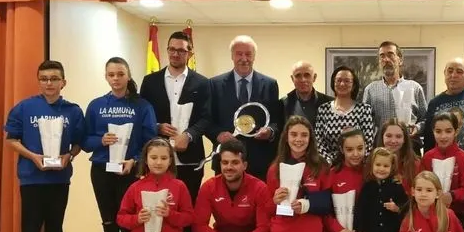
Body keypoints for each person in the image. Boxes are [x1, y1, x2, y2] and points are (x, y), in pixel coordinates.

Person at [3, 60, 85, 232]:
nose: (49, 83)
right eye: (44, 79)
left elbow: (80, 143)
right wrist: (33, 156)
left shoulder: (73, 110)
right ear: (38, 81)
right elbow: (11, 139)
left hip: (59, 181)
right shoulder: (24, 108)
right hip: (32, 179)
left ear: (63, 82)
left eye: (54, 79)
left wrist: (68, 156)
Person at [83, 57, 157, 232]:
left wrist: (135, 159)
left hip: (130, 171)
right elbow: (84, 141)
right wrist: (99, 141)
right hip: (102, 169)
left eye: (120, 74)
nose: (116, 79)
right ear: (106, 77)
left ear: (128, 76)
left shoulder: (142, 105)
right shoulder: (95, 106)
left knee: (132, 221)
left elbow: (150, 139)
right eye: (111, 74)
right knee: (109, 222)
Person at [267, 115, 333, 232]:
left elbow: (327, 203)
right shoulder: (274, 169)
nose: (298, 139)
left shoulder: (320, 167)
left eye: (304, 135)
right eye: (294, 134)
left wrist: (307, 204)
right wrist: (275, 200)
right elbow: (267, 209)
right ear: (286, 137)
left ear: (310, 139)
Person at [139, 31, 212, 202]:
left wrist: (189, 135)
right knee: (157, 209)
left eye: (180, 50)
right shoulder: (150, 81)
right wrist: (157, 126)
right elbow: (142, 116)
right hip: (157, 158)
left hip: (191, 159)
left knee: (187, 211)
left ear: (189, 53)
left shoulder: (202, 83)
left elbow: (207, 117)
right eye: (171, 49)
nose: (175, 54)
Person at [208, 35, 282, 181]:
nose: (244, 58)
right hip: (225, 160)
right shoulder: (214, 84)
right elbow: (207, 119)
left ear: (254, 56)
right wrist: (218, 135)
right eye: (239, 54)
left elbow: (276, 119)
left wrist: (270, 131)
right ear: (232, 56)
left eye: (248, 54)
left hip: (259, 160)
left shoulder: (270, 84)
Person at [360, 41, 428, 149]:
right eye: (382, 56)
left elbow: (425, 119)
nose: (386, 60)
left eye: (390, 55)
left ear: (400, 60)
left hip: (410, 149)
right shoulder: (370, 90)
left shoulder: (415, 88)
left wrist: (417, 128)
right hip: (381, 151)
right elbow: (364, 122)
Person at [315, 66, 376, 165]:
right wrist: (330, 163)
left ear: (354, 85)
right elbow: (319, 142)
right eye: (338, 80)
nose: (342, 84)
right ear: (333, 83)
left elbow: (368, 142)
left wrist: (354, 162)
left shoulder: (364, 109)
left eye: (347, 81)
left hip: (357, 166)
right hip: (330, 168)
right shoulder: (323, 109)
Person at [420, 112, 464, 230]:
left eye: (448, 131)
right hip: (430, 214)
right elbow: (421, 185)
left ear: (456, 131)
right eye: (438, 131)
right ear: (433, 131)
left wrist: (452, 195)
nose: (443, 136)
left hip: (458, 216)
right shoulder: (427, 157)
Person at [375, 119, 420, 195]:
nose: (393, 141)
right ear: (382, 137)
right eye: (389, 136)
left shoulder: (416, 165)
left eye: (398, 136)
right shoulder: (372, 163)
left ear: (404, 139)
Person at [282, 60, 332, 127]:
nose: (303, 80)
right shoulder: (283, 104)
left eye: (307, 75)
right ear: (292, 79)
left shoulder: (329, 103)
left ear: (314, 77)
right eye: (298, 75)